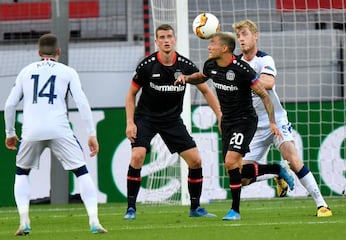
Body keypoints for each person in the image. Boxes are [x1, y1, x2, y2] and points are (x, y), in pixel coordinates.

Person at [175, 32, 294, 221]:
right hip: (228, 121)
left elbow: (264, 95)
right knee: (237, 172)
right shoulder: (211, 65)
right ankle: (275, 169)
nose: (209, 47)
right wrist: (187, 78)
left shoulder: (242, 69)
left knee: (231, 161)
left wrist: (272, 122)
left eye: (212, 43)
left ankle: (235, 211)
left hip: (245, 121)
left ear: (224, 48)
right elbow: (202, 76)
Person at [4, 33, 107, 235]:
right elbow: (82, 102)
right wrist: (91, 133)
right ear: (59, 52)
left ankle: (24, 221)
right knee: (81, 172)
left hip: (31, 131)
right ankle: (94, 221)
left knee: (22, 173)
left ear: (38, 52)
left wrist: (9, 132)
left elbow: (9, 104)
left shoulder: (26, 71)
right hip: (59, 129)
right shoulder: (67, 71)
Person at [233, 19, 332, 217]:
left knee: (293, 159)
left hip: (276, 120)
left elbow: (268, 82)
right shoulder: (236, 64)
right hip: (254, 126)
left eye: (245, 34)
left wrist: (244, 79)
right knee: (240, 176)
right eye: (238, 36)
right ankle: (276, 172)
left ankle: (322, 205)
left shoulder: (264, 59)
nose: (241, 39)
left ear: (255, 36)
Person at [123, 24, 222, 220]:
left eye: (169, 36)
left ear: (174, 39)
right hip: (146, 118)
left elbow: (206, 91)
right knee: (137, 156)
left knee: (196, 160)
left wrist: (220, 116)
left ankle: (195, 208)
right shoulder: (146, 66)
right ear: (157, 41)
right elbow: (131, 94)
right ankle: (131, 209)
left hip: (172, 120)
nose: (166, 40)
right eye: (162, 37)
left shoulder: (186, 66)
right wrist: (130, 122)